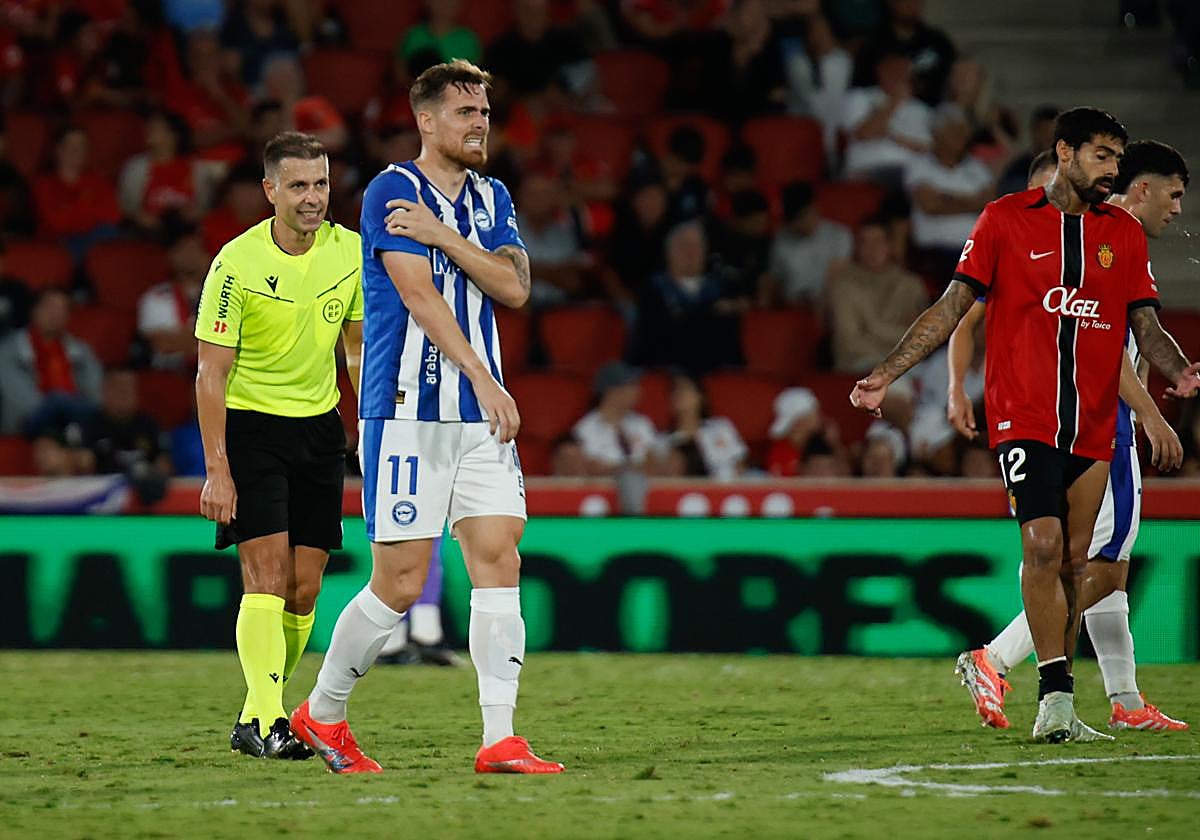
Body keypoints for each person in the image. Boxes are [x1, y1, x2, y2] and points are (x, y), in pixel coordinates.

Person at [849, 107, 1200, 743]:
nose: (1111, 170)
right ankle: (1030, 678)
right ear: (1064, 153)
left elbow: (1144, 324)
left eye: (1117, 159)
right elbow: (953, 307)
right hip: (1024, 418)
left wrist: (1179, 372)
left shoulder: (1122, 233)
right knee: (1041, 546)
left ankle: (1059, 703)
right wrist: (887, 373)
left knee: (1074, 564)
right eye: (1100, 155)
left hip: (1093, 425)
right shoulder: (1004, 220)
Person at [289, 60, 563, 775]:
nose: (480, 124)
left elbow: (515, 286)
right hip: (409, 408)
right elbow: (419, 297)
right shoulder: (391, 190)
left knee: (499, 557)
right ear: (426, 120)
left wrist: (443, 236)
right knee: (402, 582)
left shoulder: (492, 196)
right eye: (466, 112)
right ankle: (322, 713)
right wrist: (484, 378)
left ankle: (500, 738)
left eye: (485, 113)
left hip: (479, 415)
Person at [951, 140, 1191, 733]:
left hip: (1088, 421)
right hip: (1093, 426)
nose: (1178, 210)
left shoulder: (1108, 239)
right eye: (1174, 194)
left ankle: (1126, 700)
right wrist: (1151, 414)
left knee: (1110, 567)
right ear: (1141, 188)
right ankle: (994, 658)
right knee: (1096, 567)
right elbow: (1101, 352)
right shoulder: (1093, 239)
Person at [194, 131, 363, 760]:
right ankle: (269, 721)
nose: (313, 197)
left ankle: (252, 716)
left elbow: (355, 348)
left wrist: (370, 424)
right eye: (298, 186)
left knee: (304, 588)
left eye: (320, 184)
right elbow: (210, 373)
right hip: (252, 430)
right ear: (270, 190)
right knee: (264, 577)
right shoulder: (235, 264)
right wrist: (218, 469)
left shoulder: (350, 251)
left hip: (319, 430)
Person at [759, 181, 852, 307]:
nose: (800, 224)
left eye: (804, 216)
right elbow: (774, 279)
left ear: (815, 208)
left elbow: (837, 278)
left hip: (828, 306)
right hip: (791, 306)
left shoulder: (840, 235)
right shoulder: (781, 237)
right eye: (795, 220)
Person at [573, 362, 659, 476]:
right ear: (612, 392)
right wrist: (627, 469)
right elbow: (592, 469)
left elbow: (653, 462)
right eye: (632, 386)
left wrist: (617, 468)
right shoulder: (585, 428)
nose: (638, 391)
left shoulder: (642, 423)